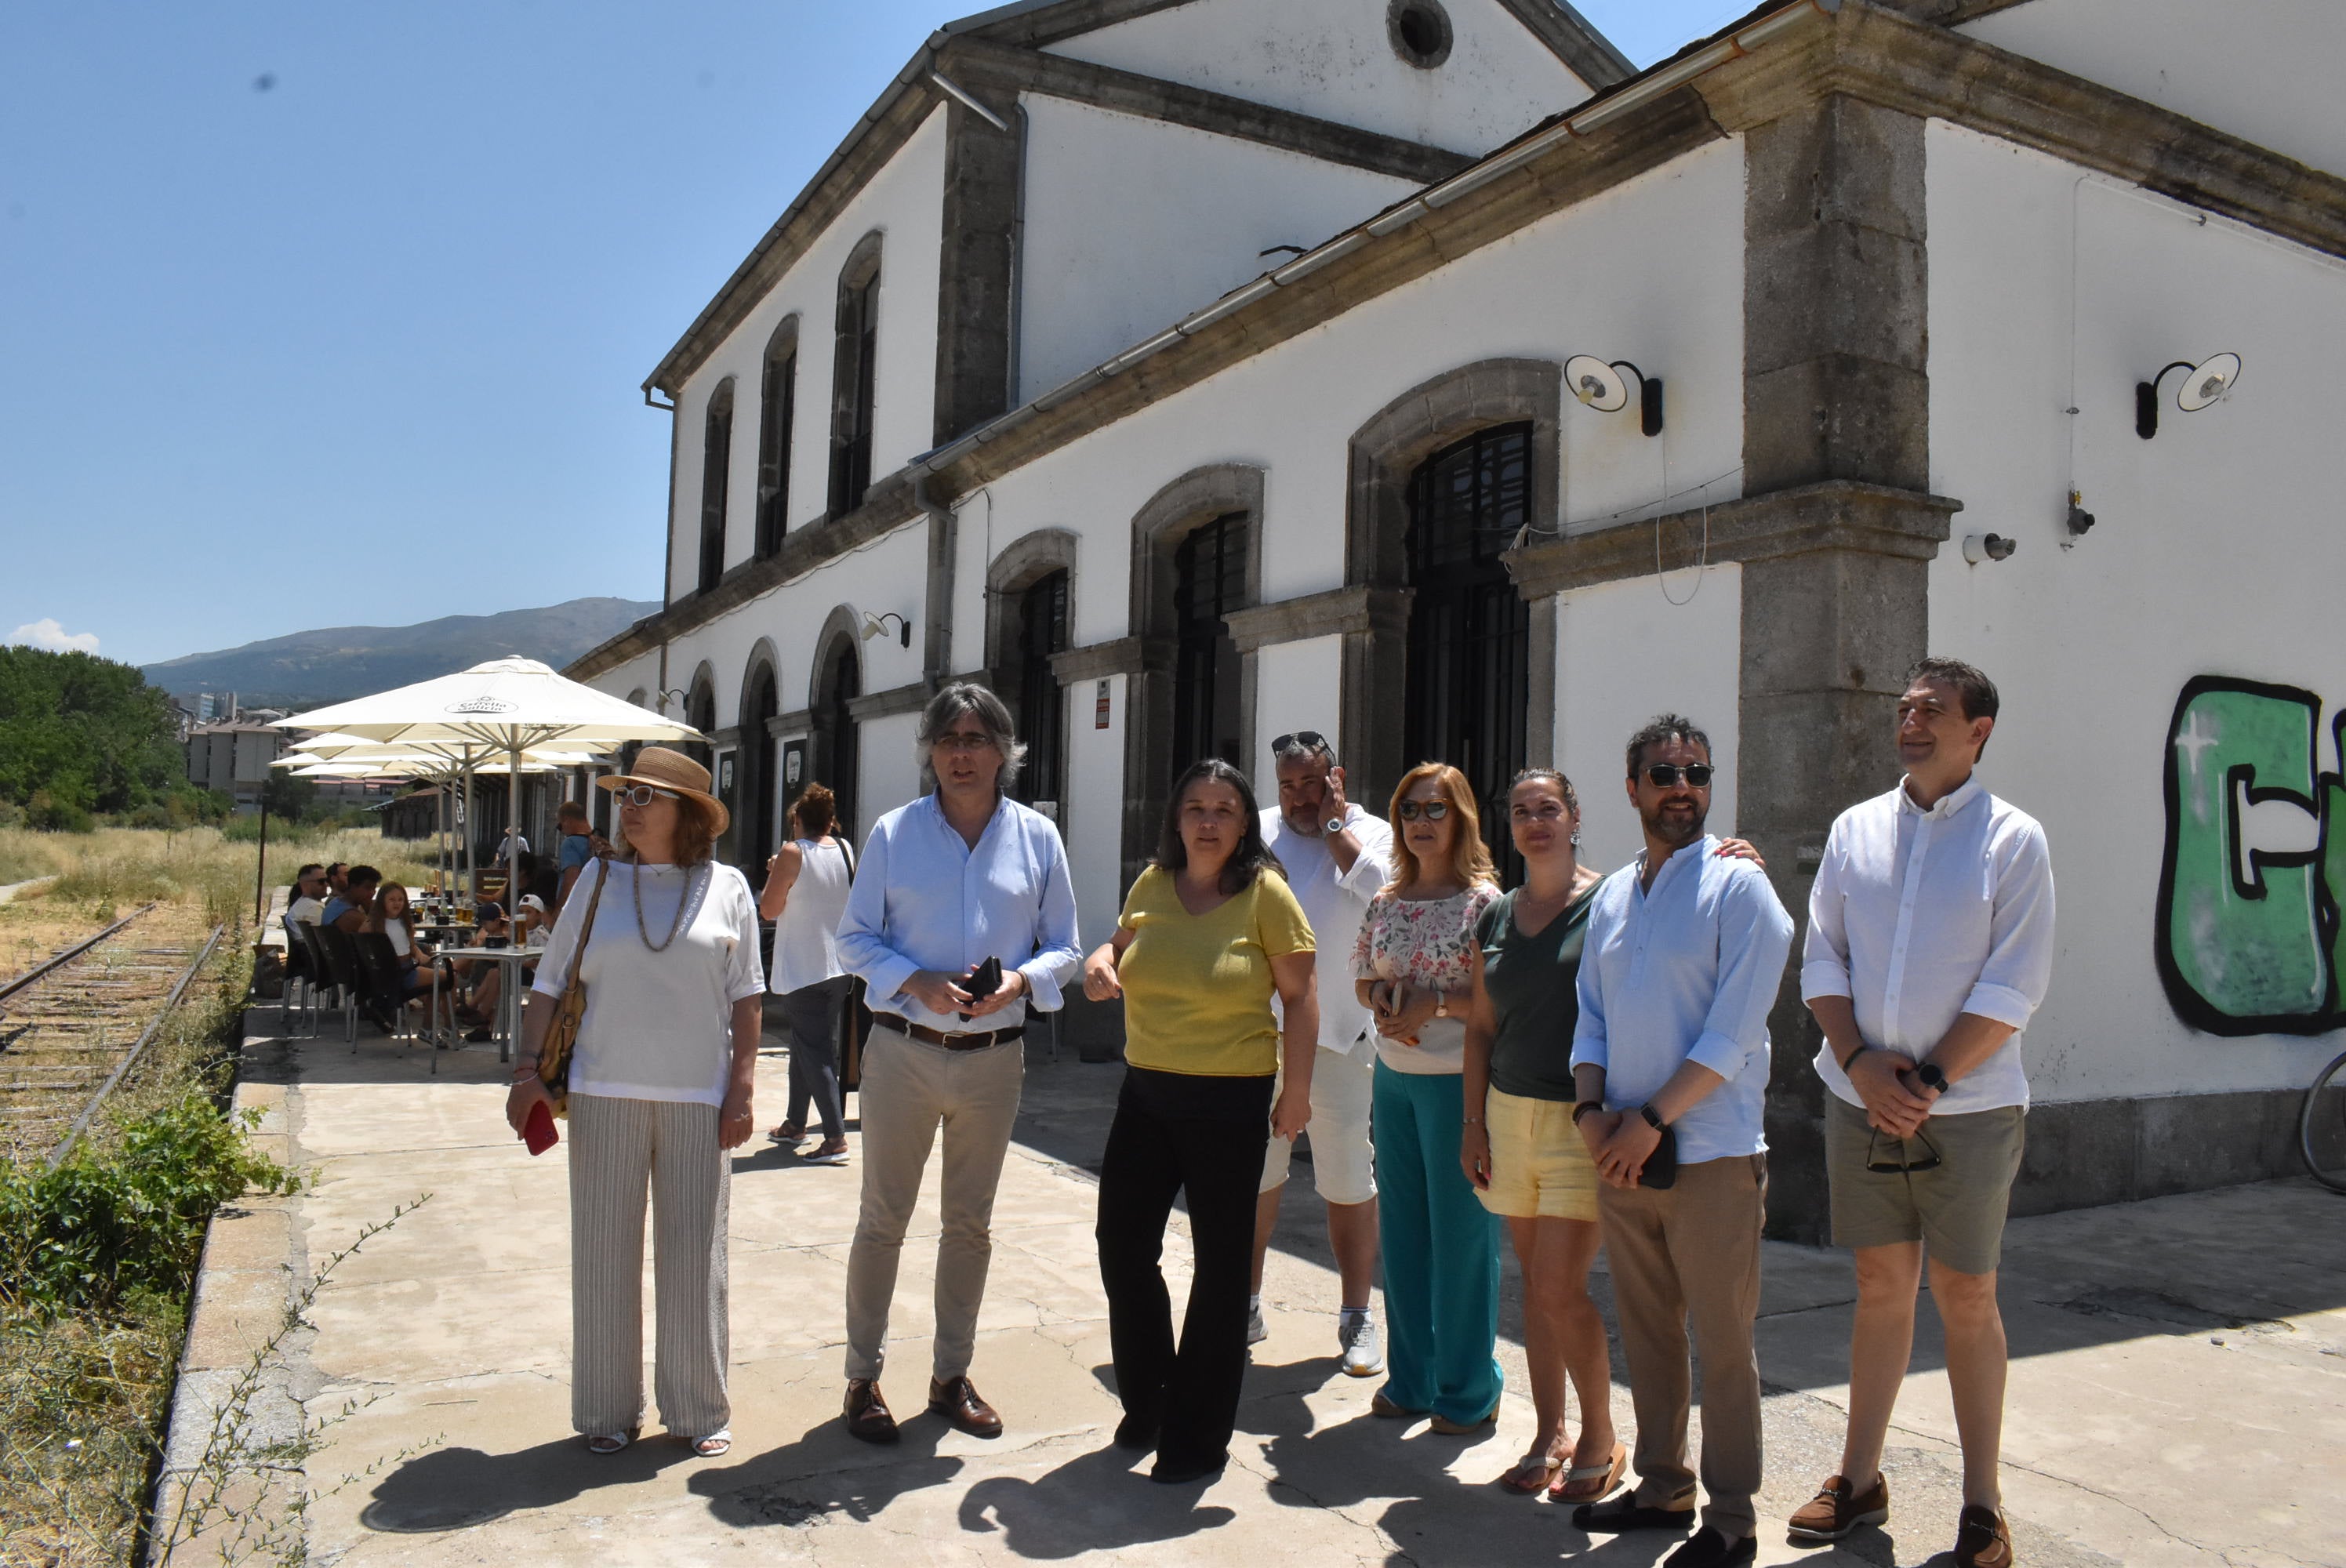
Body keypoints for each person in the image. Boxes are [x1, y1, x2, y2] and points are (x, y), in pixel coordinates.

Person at [1789, 659, 2054, 1568]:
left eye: (1931, 710)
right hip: (1858, 1098)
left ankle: (1982, 1503)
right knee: (1878, 1284)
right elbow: (1821, 958)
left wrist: (1927, 1082)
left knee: (1967, 1294)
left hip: (1969, 1108)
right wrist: (1862, 1064)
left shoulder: (2013, 839)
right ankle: (1859, 1478)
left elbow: (2014, 984)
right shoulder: (1854, 828)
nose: (1910, 721)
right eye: (1903, 708)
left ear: (1978, 730)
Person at [1571, 715, 1794, 1568]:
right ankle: (1663, 1486)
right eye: (1664, 773)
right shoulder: (1613, 896)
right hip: (1620, 1152)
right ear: (1632, 787)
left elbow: (1733, 1033)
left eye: (1697, 773)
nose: (1682, 787)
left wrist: (1651, 1120)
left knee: (1724, 1343)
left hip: (1711, 1156)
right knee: (1649, 1331)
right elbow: (1590, 1014)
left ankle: (1731, 1518)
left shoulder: (1741, 888)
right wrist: (1591, 1112)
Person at [833, 684, 1081, 1445]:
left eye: (976, 739)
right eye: (947, 739)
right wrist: (916, 980)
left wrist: (1020, 983)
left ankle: (950, 1376)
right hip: (902, 1051)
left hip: (993, 1059)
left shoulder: (1037, 838)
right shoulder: (894, 832)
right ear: (930, 752)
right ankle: (862, 1379)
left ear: (1004, 751)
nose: (961, 754)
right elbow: (853, 938)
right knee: (883, 1220)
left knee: (969, 1226)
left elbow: (1065, 945)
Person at [503, 746, 765, 1459]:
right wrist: (527, 1069)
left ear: (689, 813)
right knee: (602, 1256)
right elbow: (550, 982)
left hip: (699, 1098)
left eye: (646, 797)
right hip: (603, 1091)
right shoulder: (597, 879)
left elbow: (747, 998)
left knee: (695, 1260)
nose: (628, 808)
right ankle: (606, 1408)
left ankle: (699, 1409)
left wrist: (742, 1090)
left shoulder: (728, 886)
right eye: (626, 795)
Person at [1084, 758, 1316, 1483]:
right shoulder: (1153, 885)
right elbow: (1118, 945)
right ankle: (1150, 1401)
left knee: (1220, 1270)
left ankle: (1196, 1438)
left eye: (1223, 809)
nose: (1208, 822)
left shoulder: (1266, 895)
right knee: (1123, 1247)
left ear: (1244, 824)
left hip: (1230, 1100)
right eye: (1195, 808)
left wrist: (1297, 1091)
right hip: (1146, 1095)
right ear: (1176, 819)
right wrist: (1099, 961)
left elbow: (1301, 998)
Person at [1348, 763, 1502, 1436]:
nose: (1420, 821)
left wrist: (1431, 1003)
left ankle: (1468, 1389)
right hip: (1394, 1079)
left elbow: (1496, 1003)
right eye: (1409, 809)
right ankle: (1411, 1378)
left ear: (1461, 817)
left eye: (1435, 808)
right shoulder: (1386, 899)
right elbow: (1361, 974)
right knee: (1405, 1235)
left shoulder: (1484, 904)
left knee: (1462, 1239)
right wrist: (1382, 998)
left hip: (1457, 1083)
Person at [1249, 731, 1393, 1374]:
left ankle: (1357, 1315)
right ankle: (1246, 1303)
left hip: (1342, 1037)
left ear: (1338, 778)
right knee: (1255, 1178)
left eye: (1313, 783)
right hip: (1259, 1038)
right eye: (1289, 786)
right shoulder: (1257, 831)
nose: (1300, 798)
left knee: (1348, 1180)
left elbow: (1384, 897)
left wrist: (1335, 830)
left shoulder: (1375, 832)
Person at [760, 782, 855, 1167]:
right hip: (840, 966)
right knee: (805, 1043)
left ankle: (834, 1137)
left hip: (805, 967)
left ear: (797, 820)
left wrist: (776, 873)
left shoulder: (792, 852)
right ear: (830, 822)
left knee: (814, 1051)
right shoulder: (845, 849)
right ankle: (795, 1123)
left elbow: (769, 909)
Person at [555, 800, 610, 909]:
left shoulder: (570, 843)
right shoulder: (601, 842)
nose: (562, 831)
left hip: (579, 908)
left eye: (560, 826)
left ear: (566, 820)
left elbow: (571, 881)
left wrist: (559, 911)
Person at [321, 866, 380, 935]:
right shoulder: (352, 916)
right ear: (353, 887)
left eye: (374, 889)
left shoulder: (335, 903)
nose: (372, 893)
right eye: (368, 888)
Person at [285, 864, 328, 931]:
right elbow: (323, 935)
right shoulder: (313, 907)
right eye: (321, 881)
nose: (326, 884)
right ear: (305, 884)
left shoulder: (301, 903)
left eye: (327, 880)